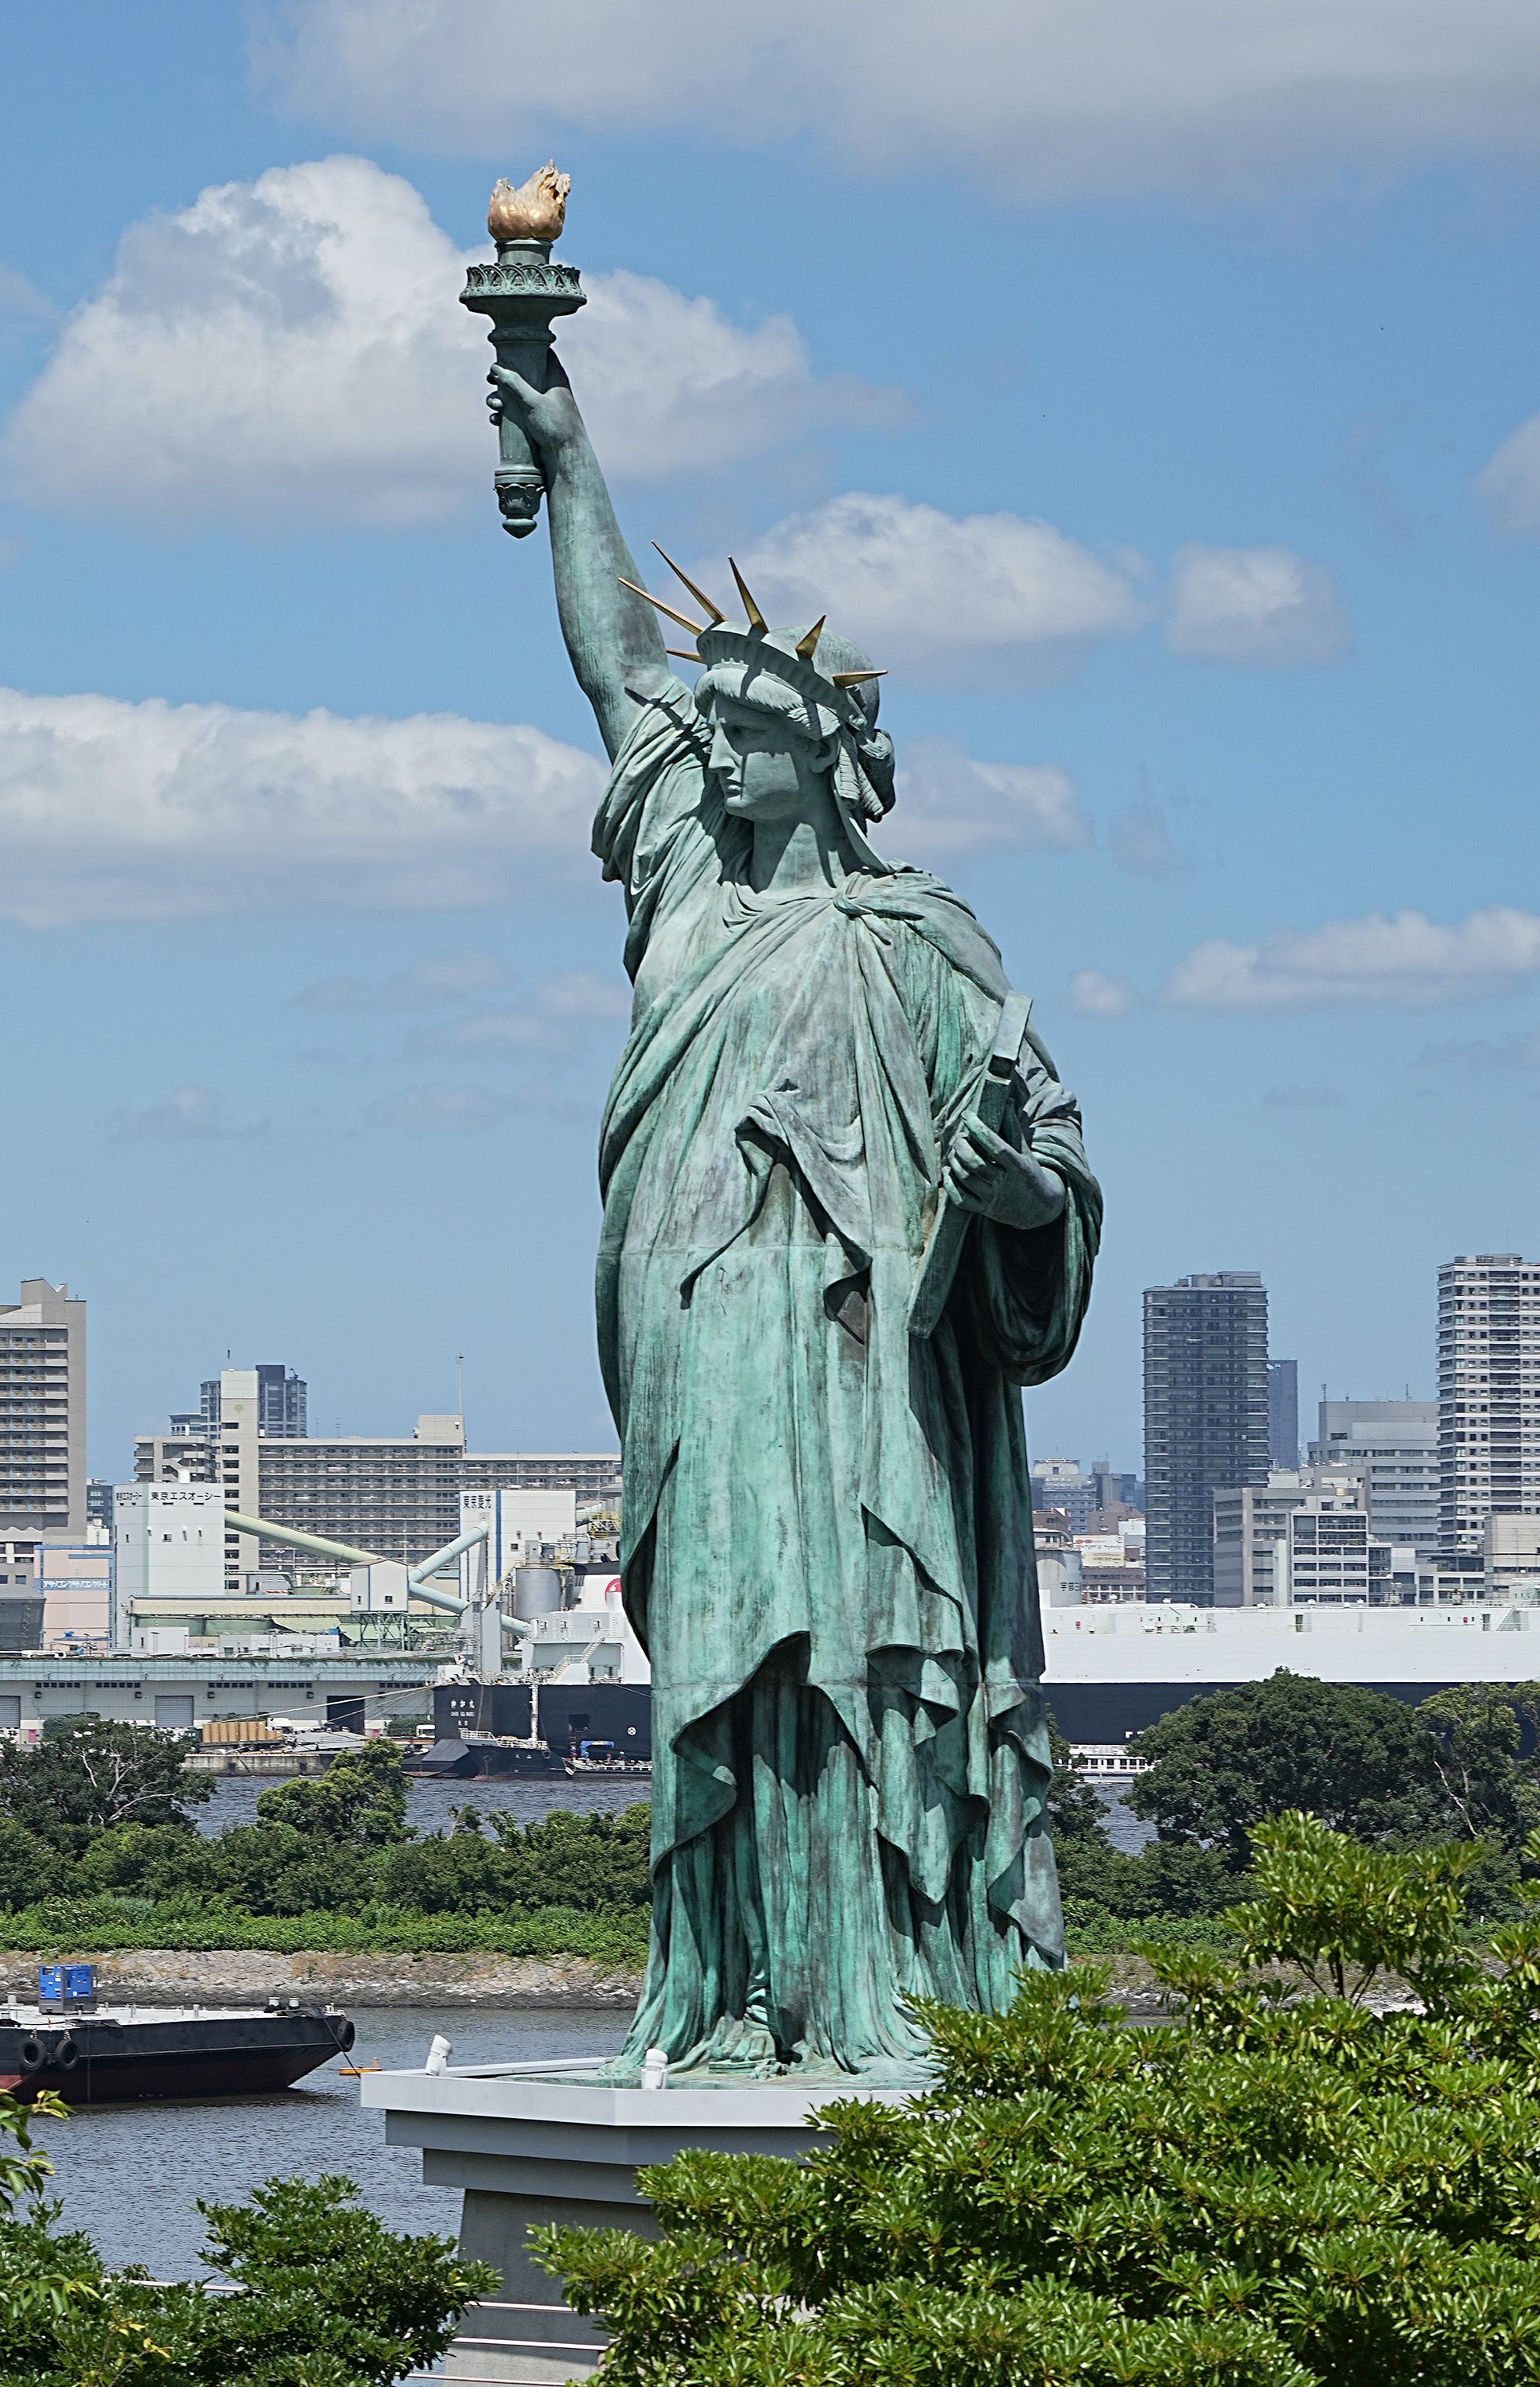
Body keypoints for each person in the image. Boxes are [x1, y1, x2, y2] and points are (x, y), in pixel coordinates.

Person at [490, 358, 1101, 2081]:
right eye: (723, 733)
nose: (721, 752)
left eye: (755, 735)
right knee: (723, 1671)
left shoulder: (919, 943)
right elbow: (621, 664)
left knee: (855, 1663)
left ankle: (880, 1995)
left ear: (832, 760)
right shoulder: (691, 887)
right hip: (697, 1341)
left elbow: (1045, 1164)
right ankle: (734, 1993)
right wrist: (570, 450)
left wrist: (1015, 1197)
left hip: (851, 1361)